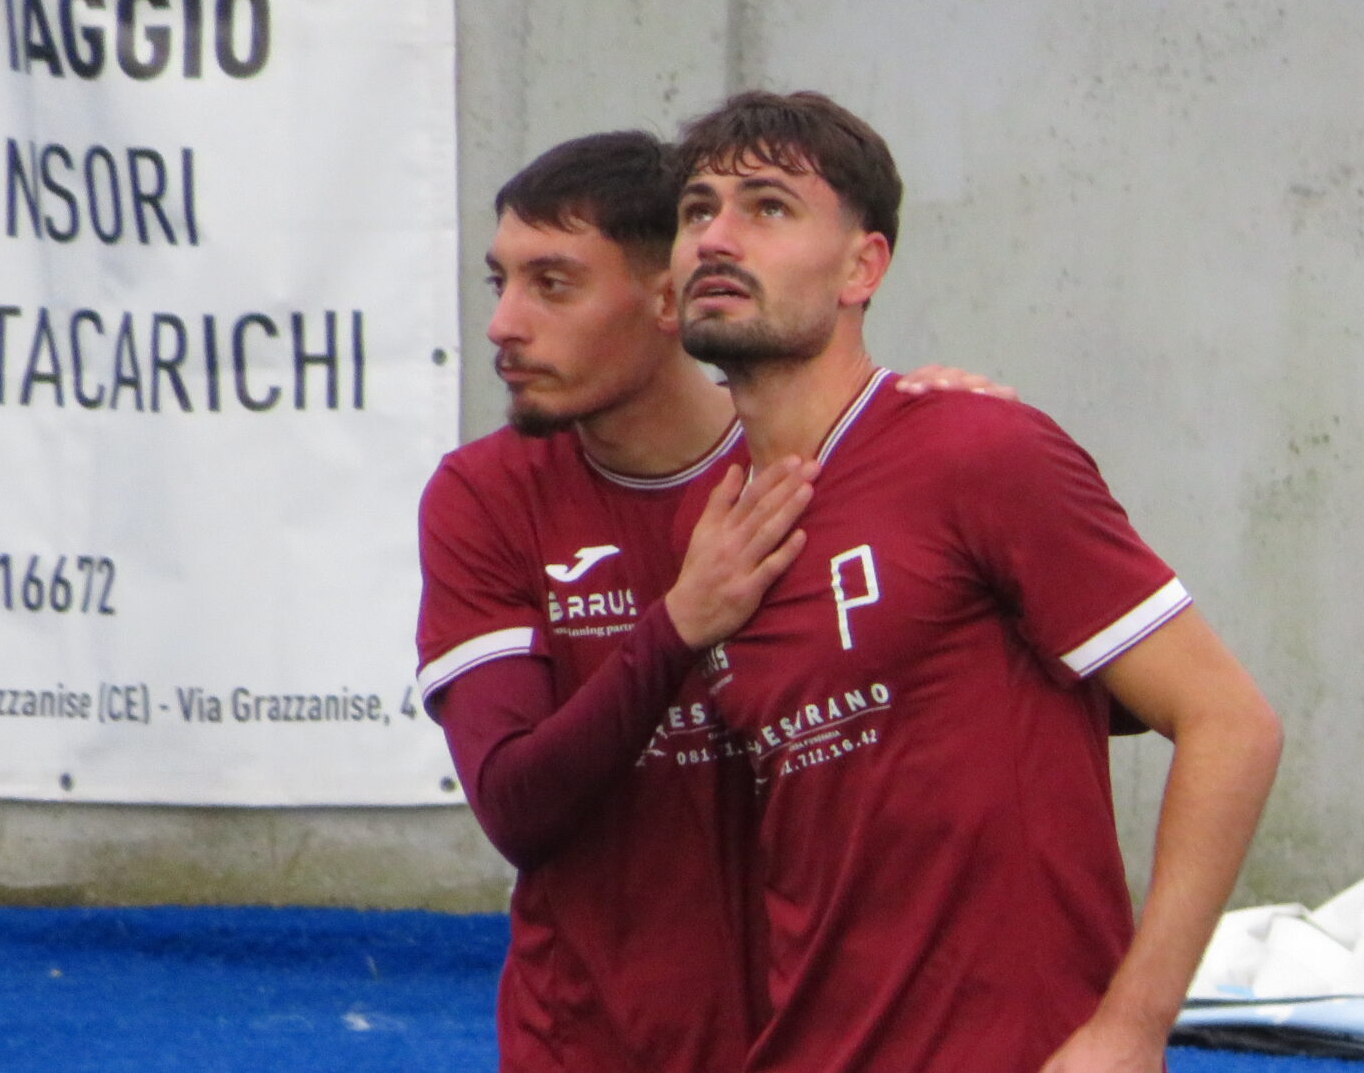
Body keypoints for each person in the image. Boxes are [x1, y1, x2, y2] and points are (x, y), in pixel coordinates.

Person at [670, 92, 1285, 1073]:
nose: (717, 236)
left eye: (768, 207)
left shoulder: (976, 450)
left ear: (861, 267)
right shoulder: (708, 537)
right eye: (697, 210)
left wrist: (1130, 1028)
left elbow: (1231, 724)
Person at [415, 130, 1009, 1073]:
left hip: (828, 1039)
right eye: (502, 283)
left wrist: (966, 456)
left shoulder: (836, 467)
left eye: (553, 284)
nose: (503, 325)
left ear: (670, 298)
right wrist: (682, 625)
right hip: (588, 1044)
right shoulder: (484, 496)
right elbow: (516, 807)